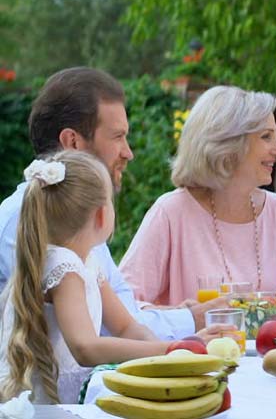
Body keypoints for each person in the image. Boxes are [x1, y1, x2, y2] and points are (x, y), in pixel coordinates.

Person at [0, 67, 226, 340]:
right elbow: (103, 334)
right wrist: (191, 322)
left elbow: (124, 317)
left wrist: (180, 315)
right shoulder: (26, 219)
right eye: (118, 136)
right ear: (72, 141)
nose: (128, 152)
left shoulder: (72, 214)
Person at [0, 152, 229, 404]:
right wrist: (169, 349)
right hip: (51, 406)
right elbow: (85, 348)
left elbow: (126, 327)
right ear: (101, 214)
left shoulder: (88, 263)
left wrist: (170, 360)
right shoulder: (64, 267)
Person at [119, 85, 276, 305]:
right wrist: (183, 318)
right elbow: (122, 308)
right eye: (266, 137)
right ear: (228, 144)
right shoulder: (171, 213)